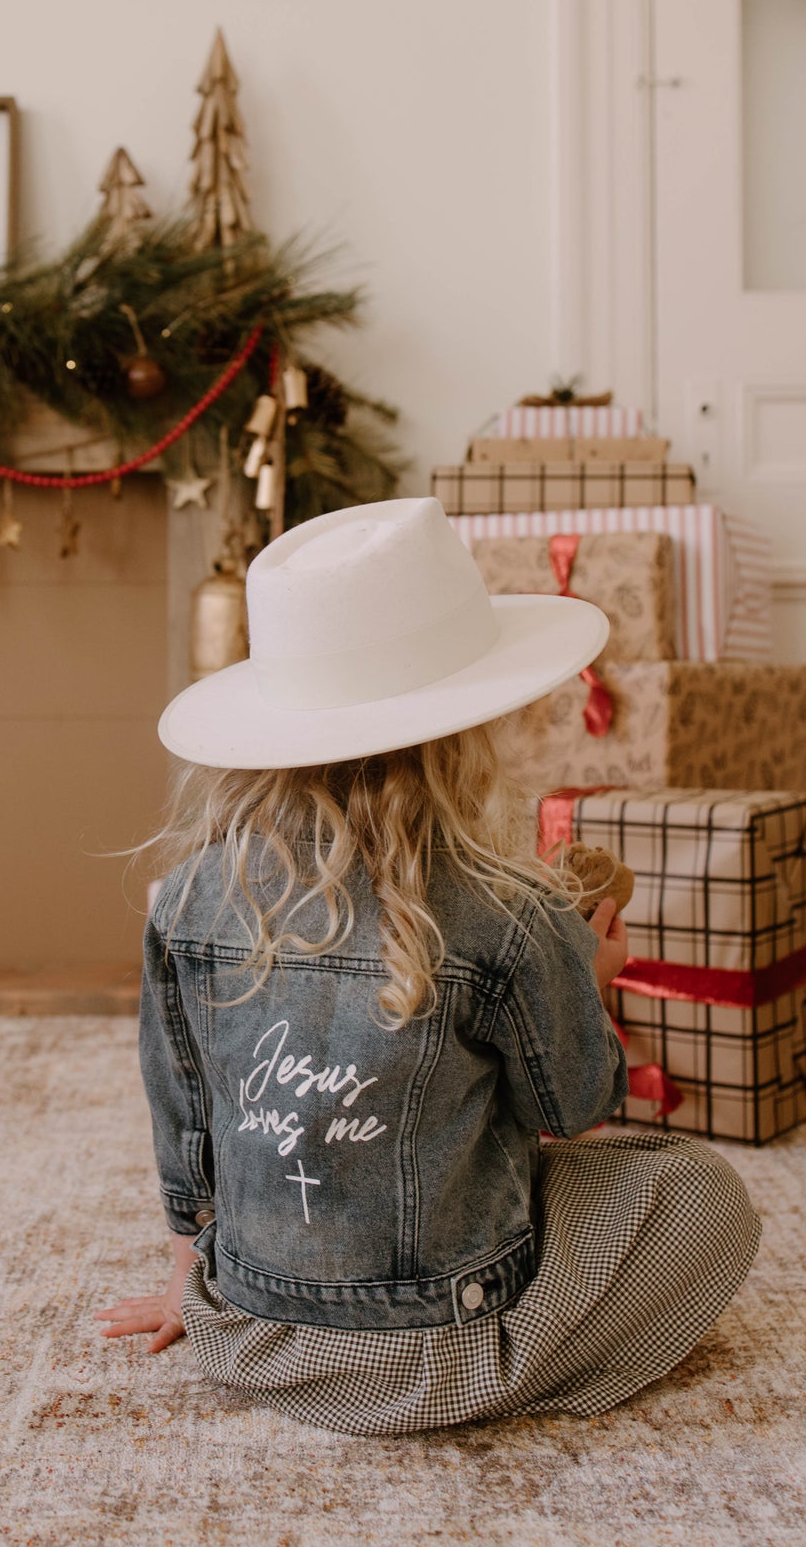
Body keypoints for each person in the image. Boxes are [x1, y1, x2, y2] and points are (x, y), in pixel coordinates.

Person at [96, 498, 759, 1435]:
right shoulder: (512, 913)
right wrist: (590, 978)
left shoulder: (191, 897)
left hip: (253, 1329)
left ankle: (297, 1345)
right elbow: (570, 1112)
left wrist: (189, 1282)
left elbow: (183, 1116)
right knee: (697, 1194)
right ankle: (475, 1379)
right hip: (448, 1328)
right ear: (469, 731)